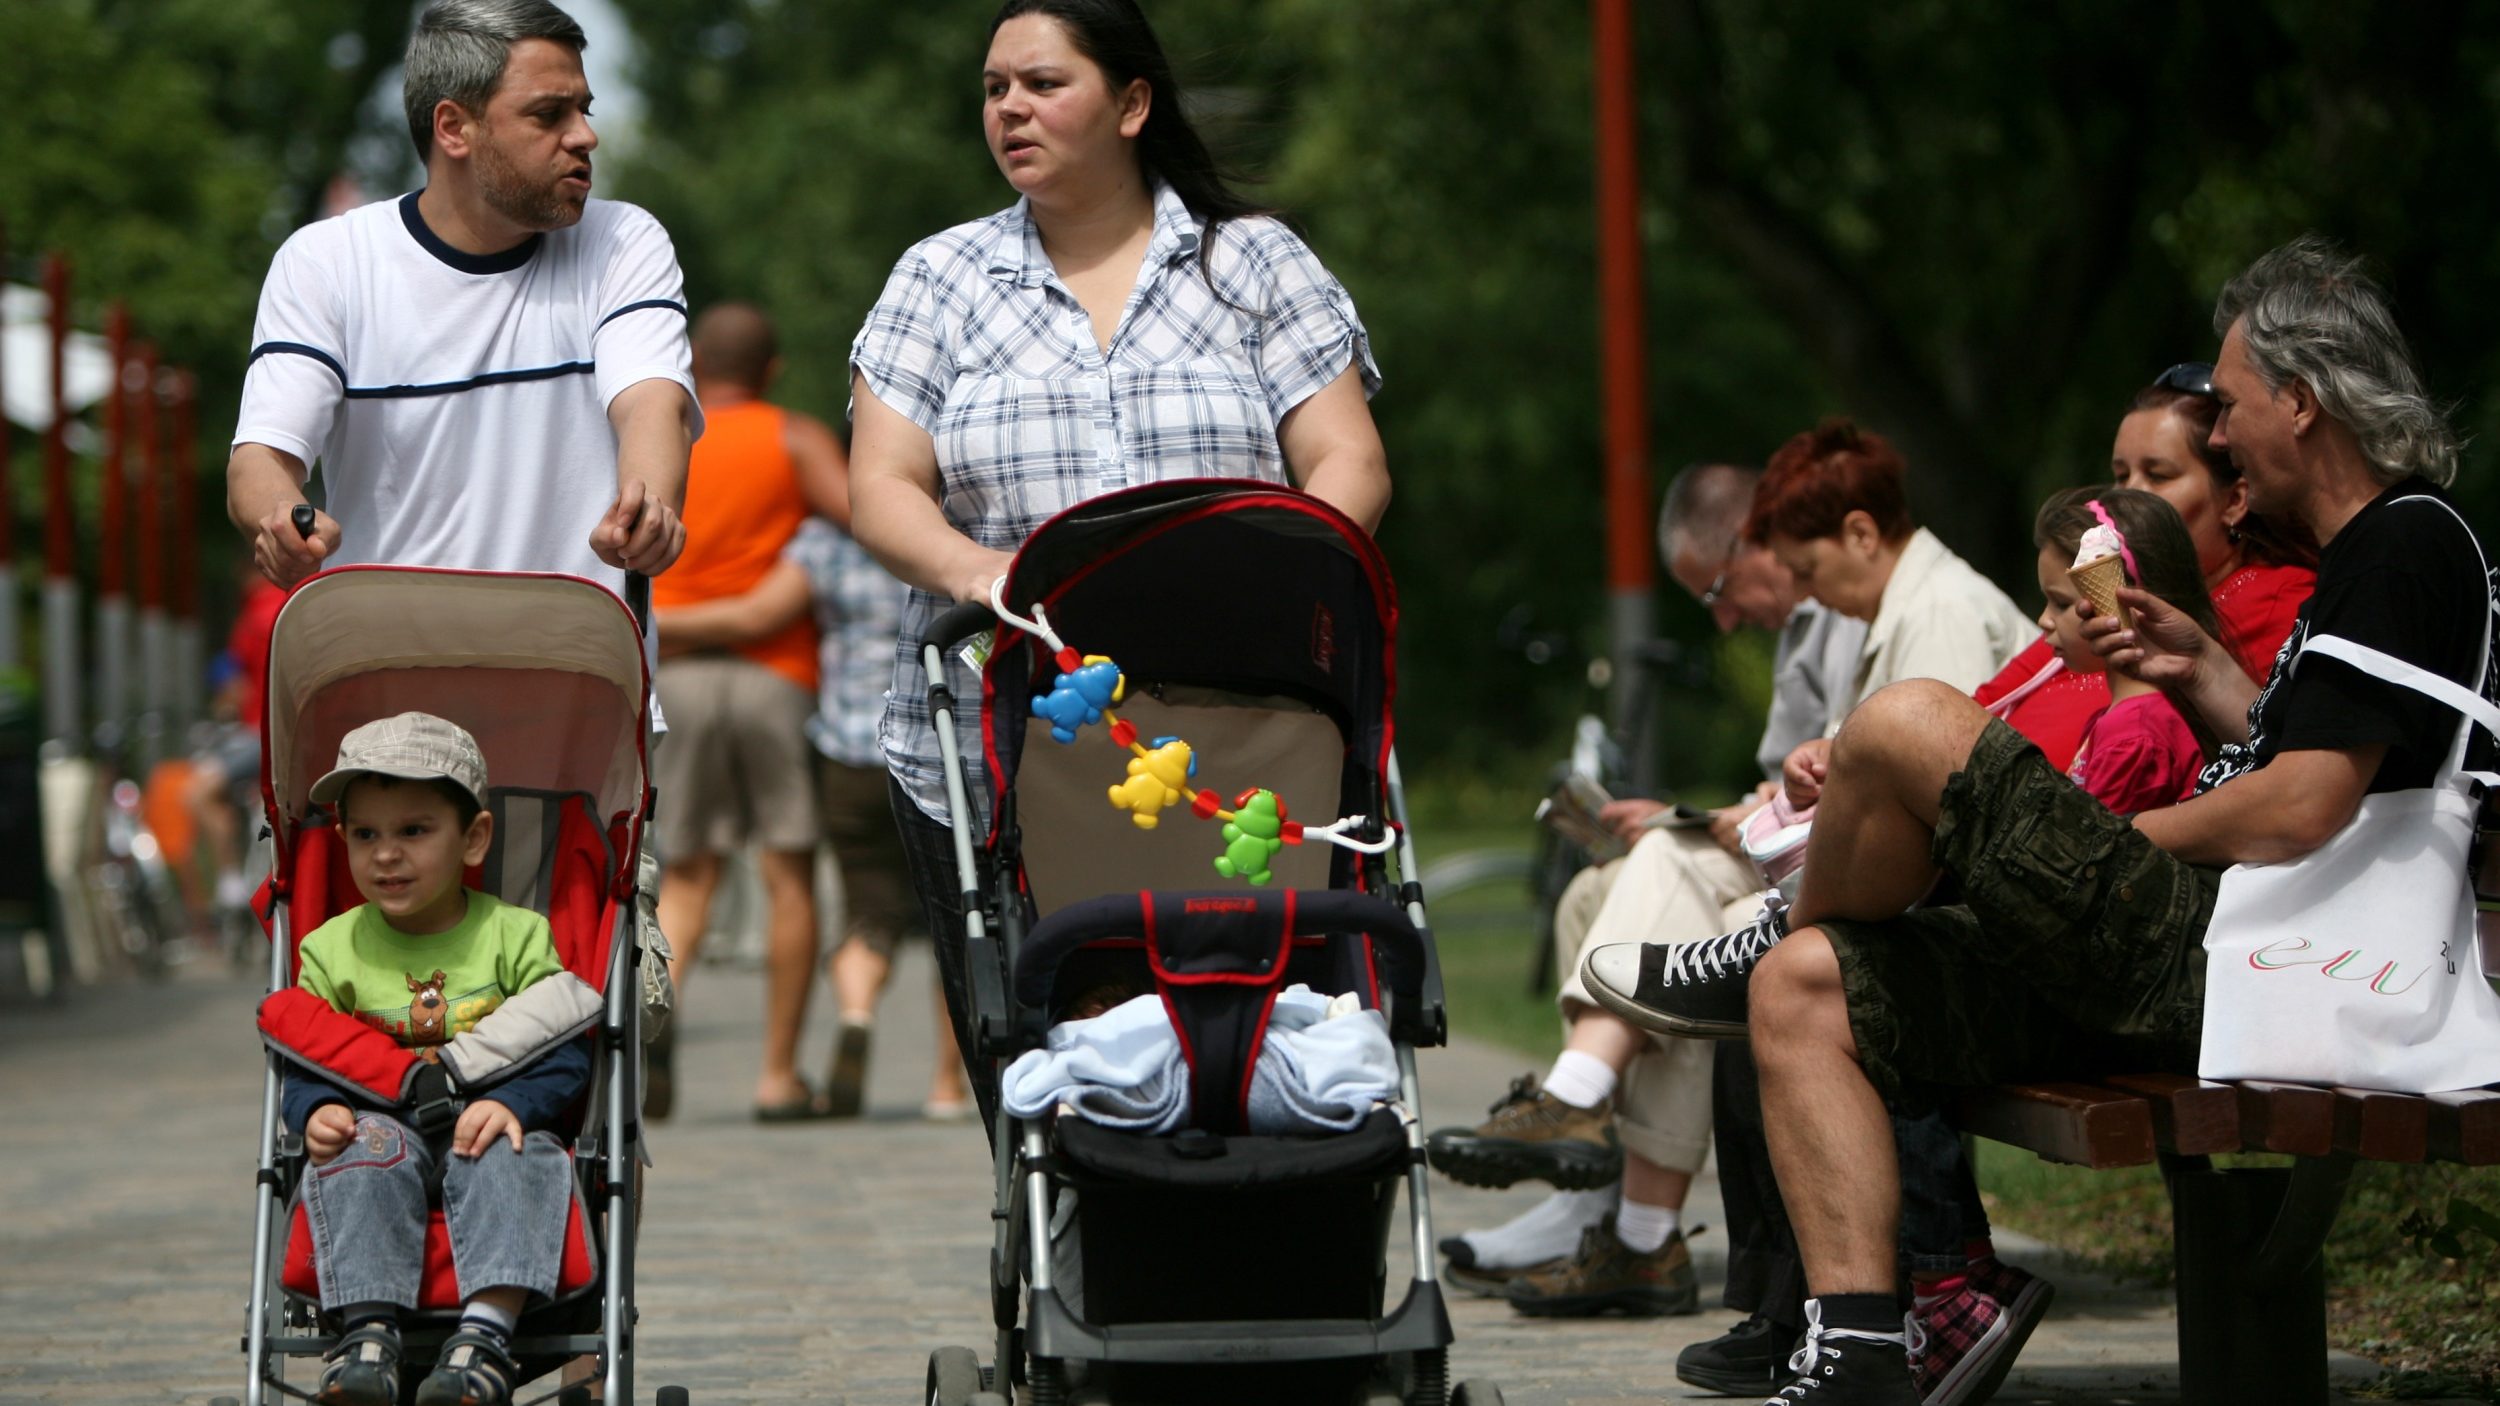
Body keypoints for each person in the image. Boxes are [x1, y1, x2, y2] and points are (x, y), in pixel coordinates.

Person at [1588, 236, 2494, 1403]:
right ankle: (1862, 1353)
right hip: (2219, 955)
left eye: (2227, 409)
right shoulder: (2365, 552)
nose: (2216, 437)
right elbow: (2305, 757)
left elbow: (2306, 801)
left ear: (2301, 402)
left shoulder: (2401, 541)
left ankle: (1768, 924)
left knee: (1909, 720)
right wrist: (2205, 667)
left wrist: (2122, 844)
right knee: (1807, 983)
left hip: (2248, 964)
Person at [846, 0, 1389, 1126]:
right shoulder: (940, 277)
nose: (1010, 109)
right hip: (1000, 729)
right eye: (995, 87)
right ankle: (1058, 1269)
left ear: (1132, 103)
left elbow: (1346, 458)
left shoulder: (1253, 262)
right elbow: (883, 485)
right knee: (1035, 1037)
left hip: (1241, 721)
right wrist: (972, 569)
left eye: (1042, 83)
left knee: (1255, 1021)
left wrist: (1284, 574)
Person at [1427, 463, 1865, 1320]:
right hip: (1810, 848)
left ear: (1753, 542)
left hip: (1847, 863)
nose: (1727, 618)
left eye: (1717, 593)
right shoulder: (1814, 621)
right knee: (1595, 891)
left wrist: (1699, 820)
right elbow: (1788, 783)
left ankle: (1583, 1119)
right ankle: (1609, 1202)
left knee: (1674, 883)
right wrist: (1693, 814)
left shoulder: (1872, 608)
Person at [226, 0, 695, 606]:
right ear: (453, 128)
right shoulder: (328, 260)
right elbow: (260, 458)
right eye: (549, 114)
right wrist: (284, 517)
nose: (585, 136)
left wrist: (648, 506)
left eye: (584, 109)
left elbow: (654, 408)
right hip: (391, 684)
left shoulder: (622, 241)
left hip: (588, 685)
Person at [282, 714, 587, 1406]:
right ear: (343, 842)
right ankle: (366, 1337)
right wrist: (315, 1111)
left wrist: (513, 1103)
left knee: (520, 1154)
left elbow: (563, 1055)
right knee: (358, 1152)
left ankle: (485, 1336)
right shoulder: (330, 951)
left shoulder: (516, 936)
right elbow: (305, 1061)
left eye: (413, 832)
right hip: (376, 1127)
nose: (386, 855)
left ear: (474, 838)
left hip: (484, 1125)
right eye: (367, 835)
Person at [659, 514, 976, 1122]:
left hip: (851, 755)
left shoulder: (825, 542)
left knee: (866, 909)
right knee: (954, 908)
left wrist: (656, 624)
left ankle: (855, 1015)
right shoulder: (955, 530)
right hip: (941, 747)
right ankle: (944, 1085)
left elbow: (759, 612)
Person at [646, 303, 846, 1122]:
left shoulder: (667, 439)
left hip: (680, 677)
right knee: (786, 870)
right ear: (771, 370)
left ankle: (656, 1025)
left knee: (686, 874)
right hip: (775, 675)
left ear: (693, 364)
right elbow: (866, 518)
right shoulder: (793, 439)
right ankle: (776, 1075)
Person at [2036, 488, 2216, 814]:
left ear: (2127, 604)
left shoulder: (2132, 737)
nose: (2044, 620)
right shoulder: (2125, 721)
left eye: (2061, 603)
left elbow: (2093, 854)